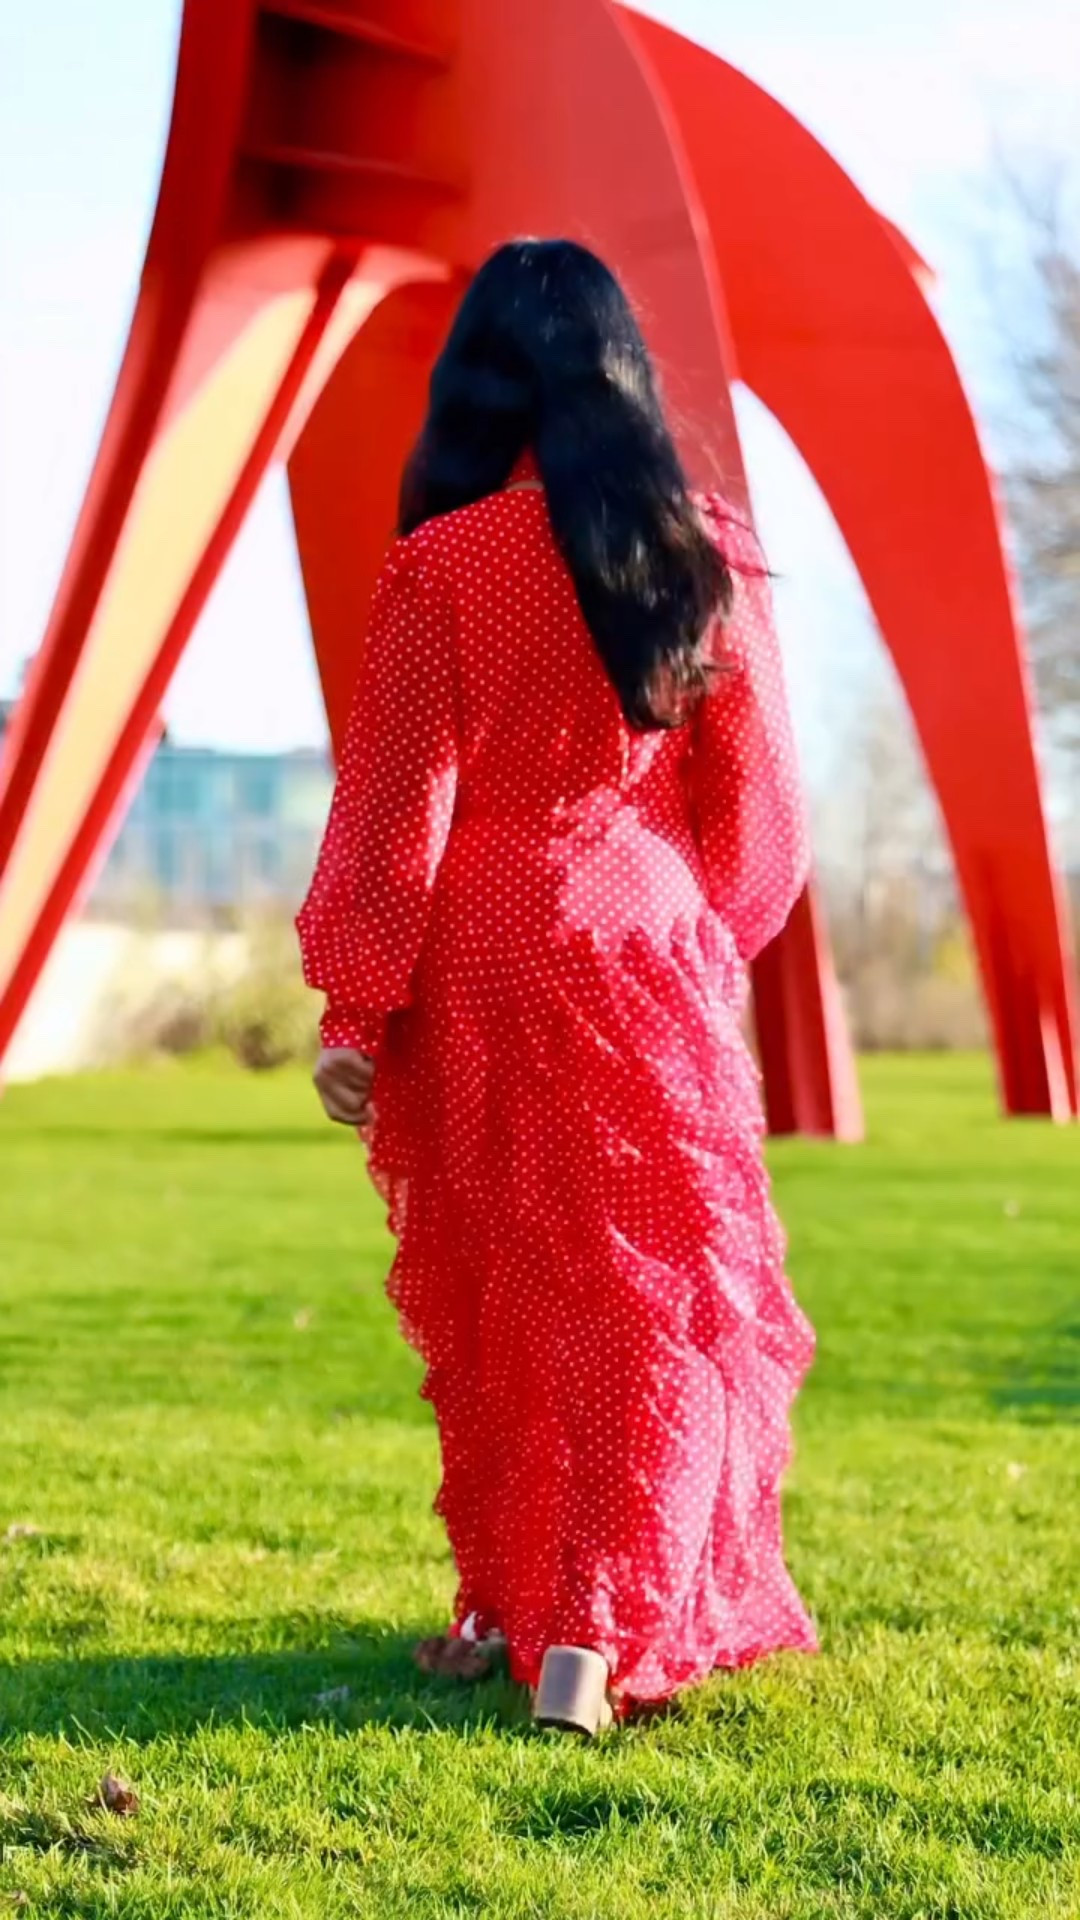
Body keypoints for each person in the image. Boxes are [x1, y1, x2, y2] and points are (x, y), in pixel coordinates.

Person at [296, 238, 817, 1735]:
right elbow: (761, 816)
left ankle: (510, 1603)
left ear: (479, 384)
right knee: (654, 1297)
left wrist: (354, 1006)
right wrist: (697, 933)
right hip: (643, 943)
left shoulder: (441, 565)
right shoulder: (699, 547)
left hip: (480, 954)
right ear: (621, 373)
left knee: (519, 1289)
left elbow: (396, 810)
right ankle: (584, 1630)